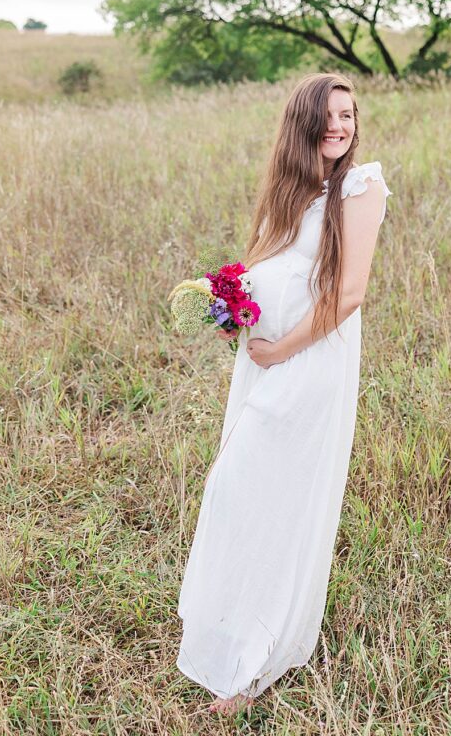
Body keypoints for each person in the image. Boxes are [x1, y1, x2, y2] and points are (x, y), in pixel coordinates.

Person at [175, 72, 392, 717]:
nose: (341, 126)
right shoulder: (294, 188)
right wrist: (232, 307)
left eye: (349, 115)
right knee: (239, 491)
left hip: (309, 360)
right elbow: (272, 265)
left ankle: (253, 663)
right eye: (328, 115)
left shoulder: (362, 185)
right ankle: (231, 630)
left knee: (274, 498)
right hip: (268, 359)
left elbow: (349, 294)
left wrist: (278, 348)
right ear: (302, 122)